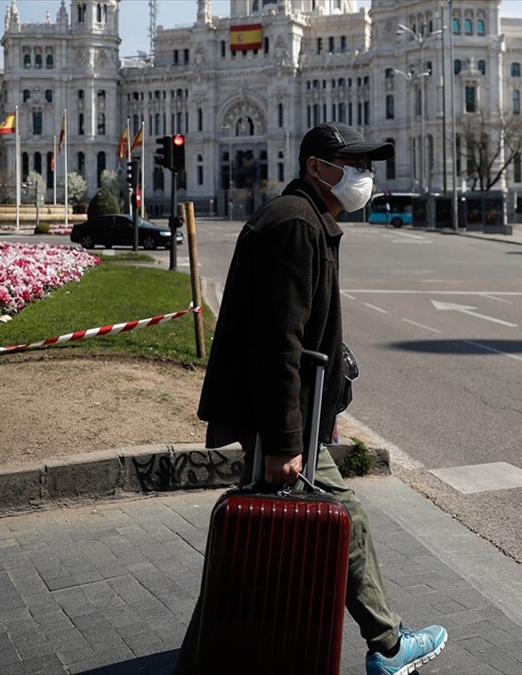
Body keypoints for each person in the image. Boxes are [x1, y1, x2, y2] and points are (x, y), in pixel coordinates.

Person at [174, 122, 448, 675]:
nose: (365, 176)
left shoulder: (303, 220)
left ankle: (199, 659)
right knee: (344, 522)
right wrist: (283, 440)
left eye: (368, 166)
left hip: (284, 411)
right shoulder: (297, 226)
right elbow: (280, 341)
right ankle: (390, 646)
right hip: (279, 417)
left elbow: (293, 327)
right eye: (354, 165)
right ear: (316, 168)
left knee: (253, 534)